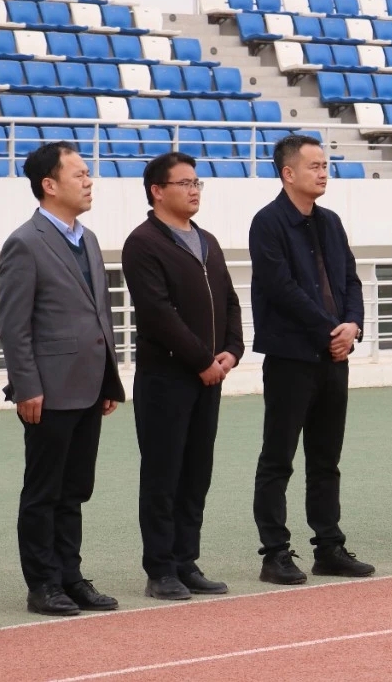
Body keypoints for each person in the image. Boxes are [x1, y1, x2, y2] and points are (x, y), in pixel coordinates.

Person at [0, 142, 125, 617]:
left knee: (75, 490)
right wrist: (26, 385)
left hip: (89, 385)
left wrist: (109, 380)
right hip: (48, 390)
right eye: (79, 174)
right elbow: (14, 324)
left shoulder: (87, 239)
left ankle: (70, 576)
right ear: (49, 185)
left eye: (88, 173)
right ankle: (43, 583)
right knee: (44, 491)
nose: (89, 181)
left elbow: (100, 314)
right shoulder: (25, 242)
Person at [249, 135, 372, 585]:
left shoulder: (330, 222)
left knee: (325, 458)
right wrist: (330, 330)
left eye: (325, 165)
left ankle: (329, 547)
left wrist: (352, 326)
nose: (323, 172)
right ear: (288, 173)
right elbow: (282, 289)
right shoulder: (267, 223)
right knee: (278, 458)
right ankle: (275, 553)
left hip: (334, 356)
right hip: (291, 357)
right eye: (314, 166)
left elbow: (351, 280)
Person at [122, 152, 244, 599]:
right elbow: (158, 314)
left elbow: (229, 300)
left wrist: (232, 350)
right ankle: (160, 569)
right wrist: (201, 361)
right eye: (184, 183)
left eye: (197, 183)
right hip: (166, 379)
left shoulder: (207, 240)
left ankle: (185, 561)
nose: (194, 190)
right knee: (163, 474)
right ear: (157, 191)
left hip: (209, 376)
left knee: (196, 473)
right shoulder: (143, 243)